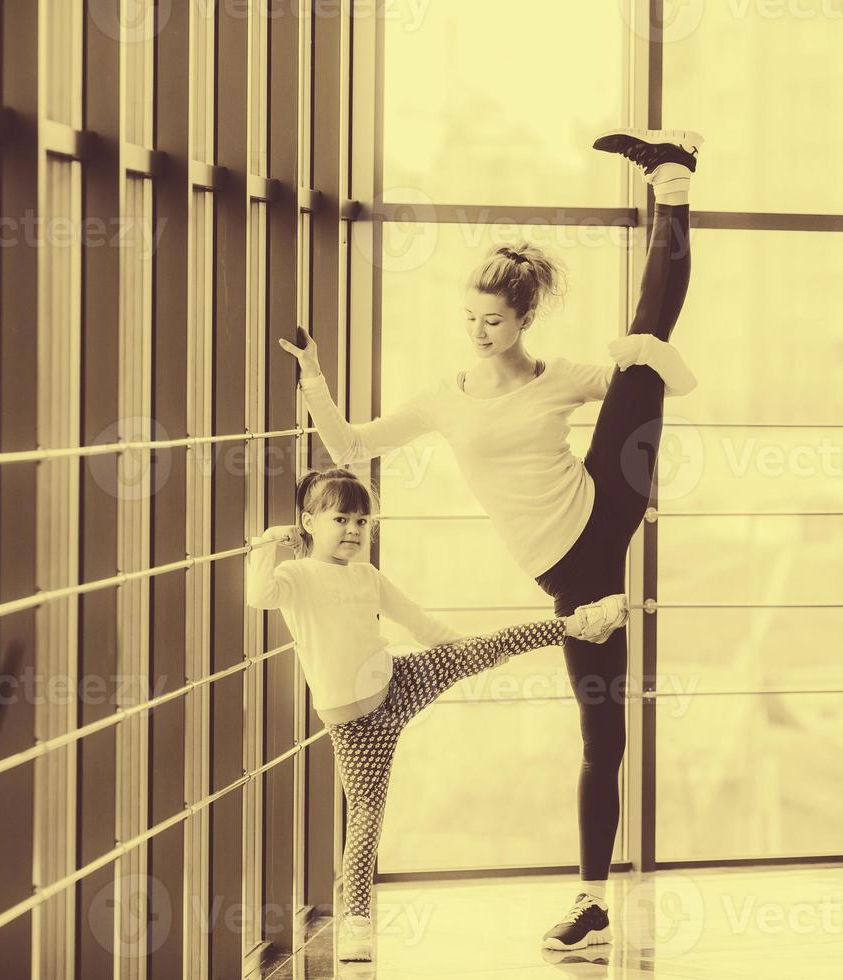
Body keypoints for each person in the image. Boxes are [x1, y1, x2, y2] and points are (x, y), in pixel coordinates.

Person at [279, 127, 701, 950]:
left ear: (524, 317)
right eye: (469, 319)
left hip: (601, 511)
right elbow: (353, 446)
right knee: (601, 732)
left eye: (494, 321)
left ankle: (673, 183)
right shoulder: (446, 398)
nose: (479, 332)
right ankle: (594, 901)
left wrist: (651, 375)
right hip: (570, 568)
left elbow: (635, 382)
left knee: (645, 345)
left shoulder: (563, 379)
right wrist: (314, 376)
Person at [246, 466, 629, 962]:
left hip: (399, 682)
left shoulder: (368, 577)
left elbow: (422, 625)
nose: (353, 531)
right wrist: (267, 544)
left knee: (485, 647)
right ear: (308, 522)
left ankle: (579, 624)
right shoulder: (295, 577)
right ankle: (357, 925)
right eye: (341, 519)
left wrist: (472, 652)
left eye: (363, 522)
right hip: (355, 727)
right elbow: (258, 596)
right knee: (365, 820)